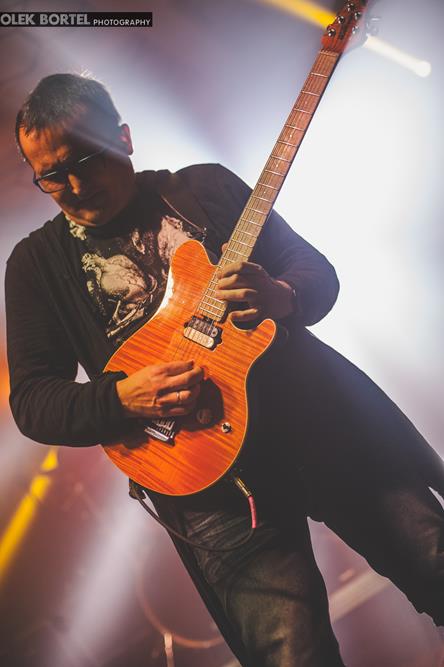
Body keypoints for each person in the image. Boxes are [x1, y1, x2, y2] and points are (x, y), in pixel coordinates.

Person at [5, 73, 444, 667]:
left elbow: (313, 269)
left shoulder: (204, 187)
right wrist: (122, 398)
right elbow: (33, 401)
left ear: (124, 139)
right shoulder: (36, 265)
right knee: (292, 655)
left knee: (435, 560)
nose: (75, 186)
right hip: (210, 485)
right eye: (52, 176)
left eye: (85, 160)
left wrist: (281, 294)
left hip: (323, 425)